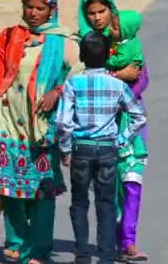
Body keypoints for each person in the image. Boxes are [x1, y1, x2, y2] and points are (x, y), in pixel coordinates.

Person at [0, 0, 83, 264]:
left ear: (52, 10)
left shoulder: (66, 41)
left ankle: (40, 248)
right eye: (29, 7)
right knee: (9, 187)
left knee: (41, 190)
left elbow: (79, 77)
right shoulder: (9, 37)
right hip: (8, 122)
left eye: (40, 8)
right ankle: (16, 241)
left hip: (42, 127)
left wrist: (57, 92)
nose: (33, 13)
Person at [55, 31, 147, 264]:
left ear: (82, 56)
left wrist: (65, 149)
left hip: (81, 149)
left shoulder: (72, 83)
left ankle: (83, 254)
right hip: (108, 149)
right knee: (105, 203)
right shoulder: (117, 85)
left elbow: (64, 121)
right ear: (107, 55)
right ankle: (106, 256)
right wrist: (121, 140)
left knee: (79, 203)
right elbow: (139, 117)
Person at [78, 0, 150, 260]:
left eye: (102, 10)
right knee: (108, 187)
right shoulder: (84, 44)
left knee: (132, 183)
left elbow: (141, 76)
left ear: (112, 10)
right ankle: (112, 239)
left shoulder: (126, 40)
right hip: (97, 127)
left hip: (129, 123)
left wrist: (124, 80)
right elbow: (79, 79)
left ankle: (129, 241)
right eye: (91, 12)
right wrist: (118, 77)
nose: (97, 18)